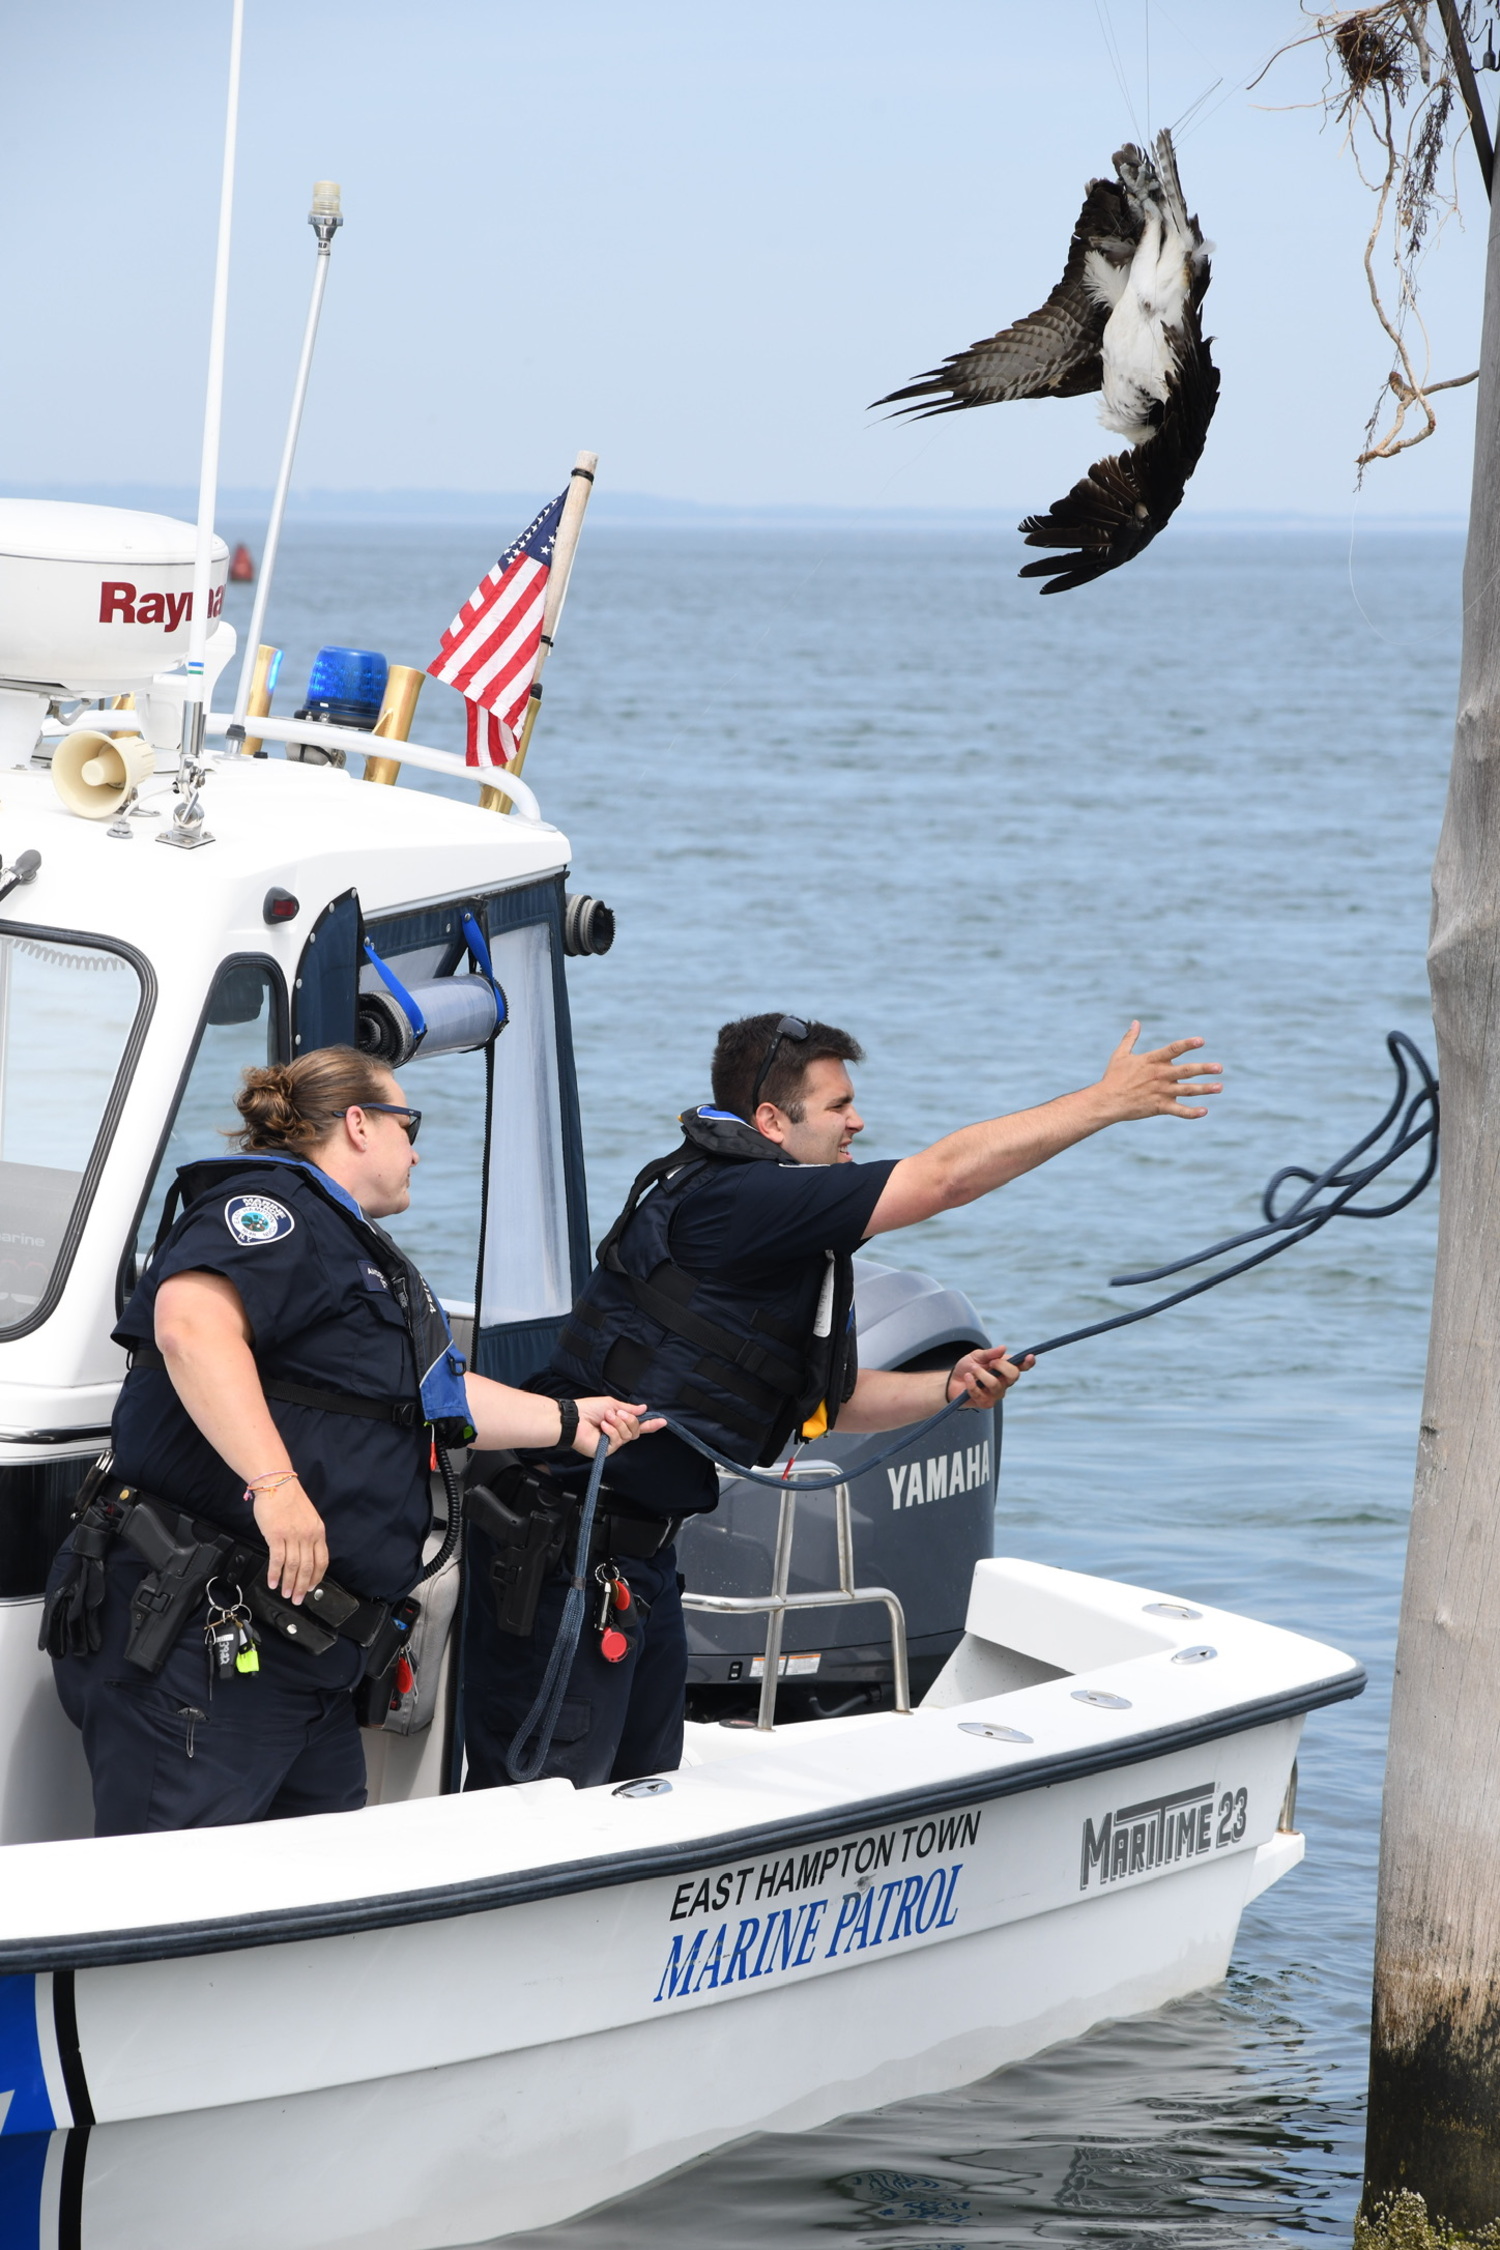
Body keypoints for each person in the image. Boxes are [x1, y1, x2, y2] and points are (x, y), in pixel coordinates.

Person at [461, 1011, 1222, 1791]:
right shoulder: (739, 1200)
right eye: (836, 1106)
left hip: (643, 1564)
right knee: (541, 1808)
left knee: (643, 1796)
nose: (857, 1120)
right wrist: (1105, 1101)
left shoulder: (773, 1229)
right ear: (770, 1122)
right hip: (564, 1553)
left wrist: (950, 1388)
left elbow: (826, 1402)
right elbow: (944, 1178)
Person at [43, 1045, 649, 1837]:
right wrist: (276, 1485)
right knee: (177, 1894)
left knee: (317, 1893)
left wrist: (574, 1421)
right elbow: (190, 1327)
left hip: (303, 1655)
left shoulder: (353, 1252)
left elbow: (434, 1399)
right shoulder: (270, 1210)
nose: (418, 1148)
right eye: (409, 1123)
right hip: (207, 1639)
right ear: (358, 1124)